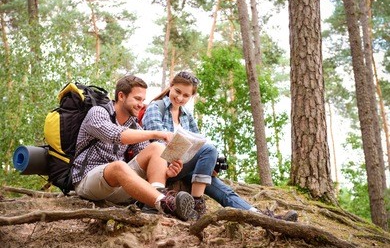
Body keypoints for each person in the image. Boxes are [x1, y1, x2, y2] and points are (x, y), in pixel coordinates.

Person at [142, 71, 298, 222]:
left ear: (192, 96)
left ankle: (261, 216)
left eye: (186, 95)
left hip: (184, 166)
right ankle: (196, 203)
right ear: (171, 85)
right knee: (209, 149)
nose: (180, 97)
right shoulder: (156, 107)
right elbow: (158, 143)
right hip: (162, 169)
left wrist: (209, 165)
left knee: (222, 188)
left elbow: (197, 142)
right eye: (177, 91)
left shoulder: (187, 115)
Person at [71, 75, 195, 221]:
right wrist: (157, 133)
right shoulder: (98, 112)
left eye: (143, 100)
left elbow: (149, 158)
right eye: (137, 99)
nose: (141, 104)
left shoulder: (134, 125)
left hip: (119, 186)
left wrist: (166, 173)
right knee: (118, 166)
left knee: (157, 148)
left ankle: (153, 207)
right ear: (121, 96)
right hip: (88, 182)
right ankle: (166, 203)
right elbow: (116, 135)